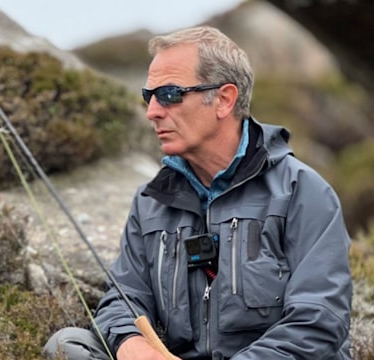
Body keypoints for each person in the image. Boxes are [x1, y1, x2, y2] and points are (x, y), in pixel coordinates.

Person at [43, 26, 353, 360]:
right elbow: (123, 298)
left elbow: (319, 321)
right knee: (68, 345)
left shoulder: (303, 192)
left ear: (224, 99)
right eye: (150, 96)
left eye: (170, 94)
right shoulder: (150, 201)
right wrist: (133, 347)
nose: (153, 111)